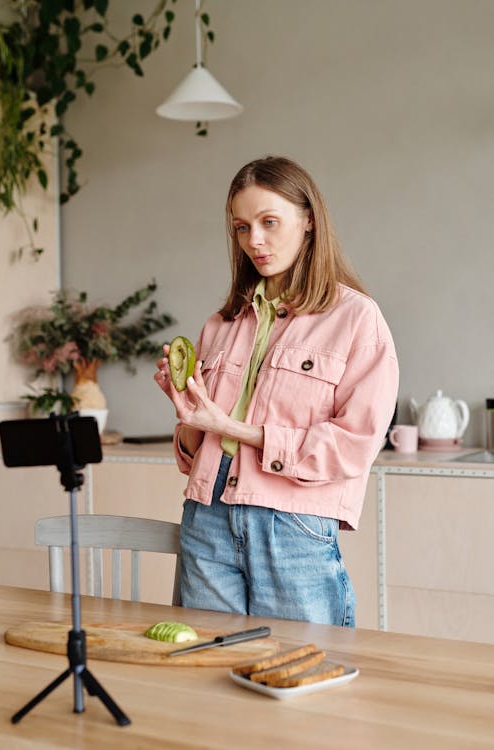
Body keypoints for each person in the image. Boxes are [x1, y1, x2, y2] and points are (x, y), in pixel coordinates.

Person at [154, 156, 398, 625]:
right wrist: (189, 416)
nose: (255, 241)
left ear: (308, 220)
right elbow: (195, 447)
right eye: (242, 228)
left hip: (291, 523)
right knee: (208, 669)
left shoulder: (357, 320)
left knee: (299, 673)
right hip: (206, 516)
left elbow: (354, 446)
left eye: (269, 222)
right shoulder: (221, 324)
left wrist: (235, 429)